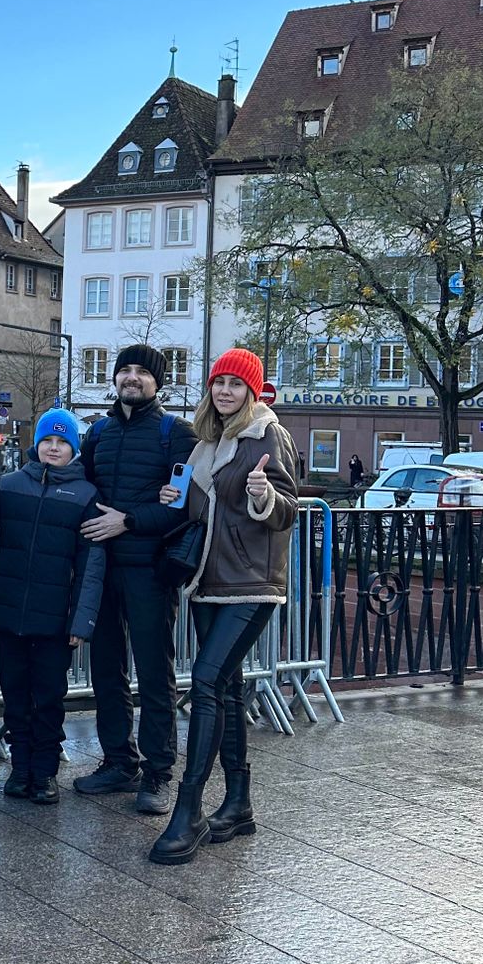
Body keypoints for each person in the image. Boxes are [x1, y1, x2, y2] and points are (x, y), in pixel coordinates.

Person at [149, 349, 298, 865]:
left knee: (206, 681)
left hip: (251, 583)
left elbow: (287, 509)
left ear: (252, 391)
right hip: (207, 582)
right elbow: (204, 509)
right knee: (228, 689)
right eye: (219, 383)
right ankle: (238, 804)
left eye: (236, 384)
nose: (226, 391)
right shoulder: (205, 442)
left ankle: (188, 810)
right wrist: (175, 499)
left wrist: (264, 494)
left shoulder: (267, 434)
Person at [75, 345, 198, 815]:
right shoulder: (98, 432)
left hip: (149, 569)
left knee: (153, 673)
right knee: (106, 670)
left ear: (157, 382)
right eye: (124, 370)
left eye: (142, 372)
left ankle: (159, 772)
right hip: (101, 568)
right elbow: (81, 487)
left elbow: (183, 507)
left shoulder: (176, 434)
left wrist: (126, 521)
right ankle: (118, 762)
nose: (131, 378)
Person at [0, 407, 105, 803]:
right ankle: (20, 768)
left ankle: (44, 773)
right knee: (15, 696)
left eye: (62, 442)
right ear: (36, 445)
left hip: (56, 619)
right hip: (11, 612)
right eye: (47, 441)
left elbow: (91, 564)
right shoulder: (10, 485)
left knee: (48, 698)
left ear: (73, 448)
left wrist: (81, 621)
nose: (53, 448)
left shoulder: (85, 495)